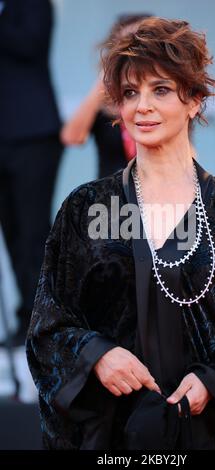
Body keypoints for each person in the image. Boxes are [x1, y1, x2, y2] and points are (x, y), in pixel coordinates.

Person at [26, 17, 215, 450]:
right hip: (111, 440)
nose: (141, 106)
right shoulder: (88, 209)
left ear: (195, 100)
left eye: (160, 90)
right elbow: (48, 326)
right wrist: (96, 355)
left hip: (210, 437)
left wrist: (213, 383)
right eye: (130, 93)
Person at [0, 0, 63, 346]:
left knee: (33, 231)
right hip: (3, 135)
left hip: (33, 133)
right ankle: (26, 316)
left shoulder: (34, 3)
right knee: (11, 231)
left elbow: (30, 44)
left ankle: (46, 321)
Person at [61, 14, 151, 178]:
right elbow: (72, 137)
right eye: (125, 46)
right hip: (110, 198)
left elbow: (187, 155)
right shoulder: (104, 100)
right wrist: (105, 77)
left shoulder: (164, 98)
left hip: (157, 196)